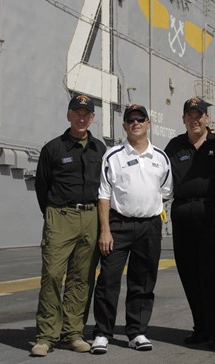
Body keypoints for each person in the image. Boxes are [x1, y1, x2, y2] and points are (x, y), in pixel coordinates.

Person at [91, 104, 172, 355]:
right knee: (108, 280)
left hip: (149, 225)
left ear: (148, 123)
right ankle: (102, 333)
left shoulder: (161, 157)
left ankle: (136, 331)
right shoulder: (113, 156)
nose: (135, 123)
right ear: (125, 126)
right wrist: (105, 230)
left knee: (144, 280)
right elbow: (103, 196)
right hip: (119, 225)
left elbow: (166, 191)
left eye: (140, 119)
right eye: (130, 120)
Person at [30, 94, 106, 357]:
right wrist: (53, 213)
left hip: (91, 216)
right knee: (52, 274)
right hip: (60, 215)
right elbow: (42, 185)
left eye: (86, 113)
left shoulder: (100, 148)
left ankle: (73, 333)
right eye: (77, 112)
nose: (81, 117)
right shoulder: (53, 148)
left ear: (93, 117)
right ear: (68, 115)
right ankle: (46, 335)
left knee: (82, 277)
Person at [164, 97, 215, 350]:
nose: (195, 119)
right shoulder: (175, 146)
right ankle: (200, 329)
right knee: (190, 274)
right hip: (182, 213)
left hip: (212, 211)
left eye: (199, 115)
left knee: (214, 276)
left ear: (207, 118)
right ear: (183, 119)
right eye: (190, 115)